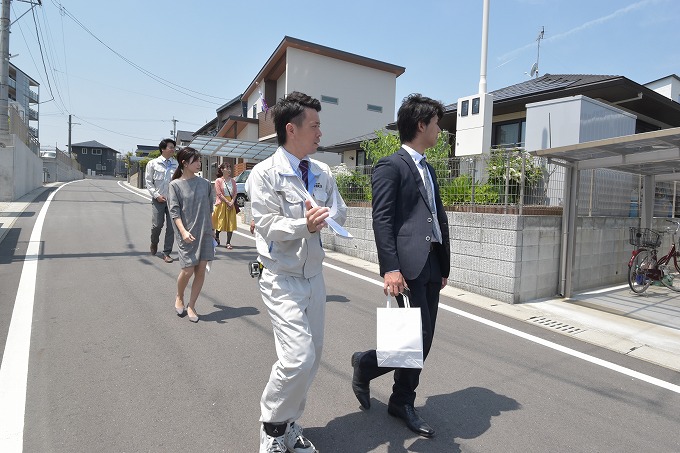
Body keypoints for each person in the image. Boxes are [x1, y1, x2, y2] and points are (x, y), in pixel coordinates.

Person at [247, 91, 347, 453]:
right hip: (280, 277)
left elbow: (340, 211)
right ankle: (272, 429)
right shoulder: (264, 174)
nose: (321, 133)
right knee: (297, 357)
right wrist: (304, 225)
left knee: (313, 358)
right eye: (315, 125)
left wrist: (329, 218)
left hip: (314, 277)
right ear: (292, 129)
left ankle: (289, 424)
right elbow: (267, 224)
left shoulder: (322, 173)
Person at [350, 94, 451, 438]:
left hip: (432, 263)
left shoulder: (428, 167)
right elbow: (382, 220)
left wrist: (445, 262)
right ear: (421, 125)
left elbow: (436, 216)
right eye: (436, 123)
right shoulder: (390, 166)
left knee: (424, 339)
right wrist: (389, 268)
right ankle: (371, 370)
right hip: (406, 266)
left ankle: (398, 398)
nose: (440, 128)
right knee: (413, 340)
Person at [168, 147, 215, 323]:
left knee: (200, 270)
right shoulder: (175, 185)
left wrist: (212, 232)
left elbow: (210, 209)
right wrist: (183, 231)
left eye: (199, 160)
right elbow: (174, 212)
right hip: (186, 234)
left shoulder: (205, 184)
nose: (199, 163)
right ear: (184, 163)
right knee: (187, 270)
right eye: (195, 160)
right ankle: (179, 296)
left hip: (205, 233)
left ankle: (192, 305)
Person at [146, 138, 178, 263]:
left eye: (173, 147)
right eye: (170, 147)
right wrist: (156, 195)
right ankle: (154, 242)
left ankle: (166, 253)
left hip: (173, 201)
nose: (173, 149)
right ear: (163, 149)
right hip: (157, 199)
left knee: (171, 228)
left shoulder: (176, 164)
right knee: (157, 225)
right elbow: (149, 182)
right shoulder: (153, 163)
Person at [212, 162, 238, 249]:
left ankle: (228, 242)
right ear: (222, 170)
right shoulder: (218, 181)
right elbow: (219, 194)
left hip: (231, 204)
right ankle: (217, 236)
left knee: (230, 223)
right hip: (222, 204)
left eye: (230, 168)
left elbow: (235, 193)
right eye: (227, 168)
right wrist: (228, 202)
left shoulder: (233, 181)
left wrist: (232, 202)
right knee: (220, 222)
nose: (229, 170)